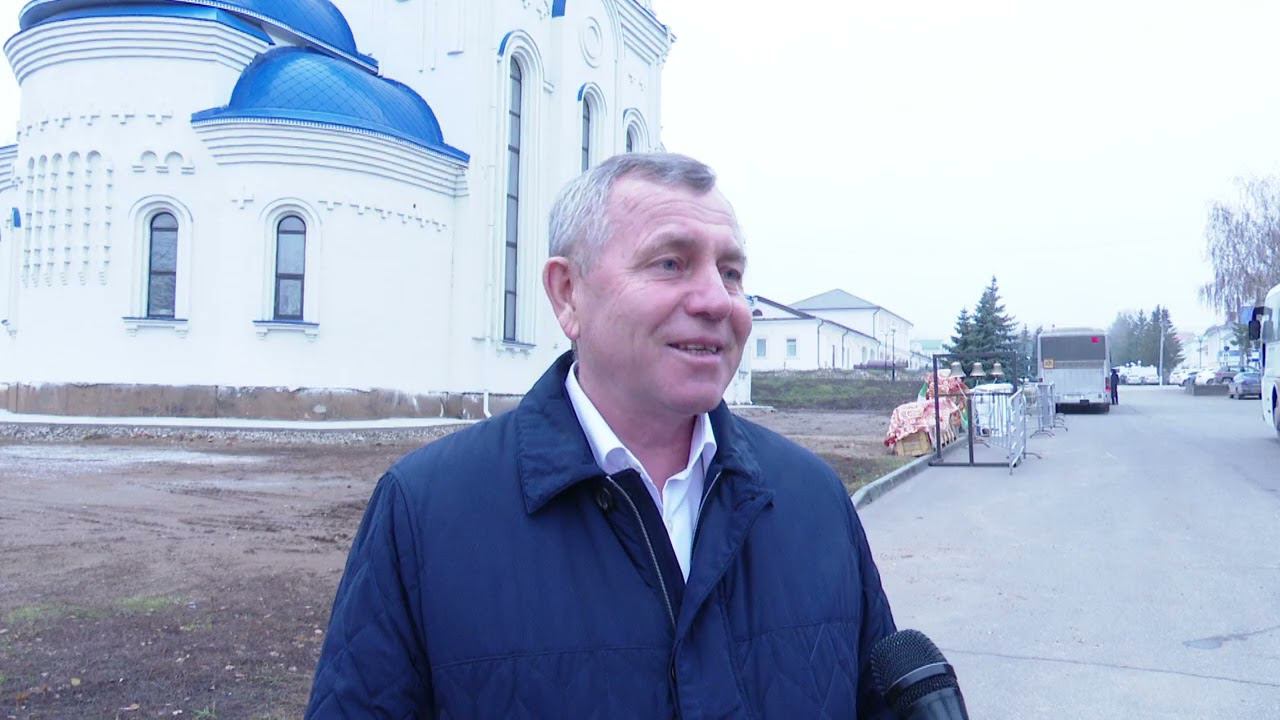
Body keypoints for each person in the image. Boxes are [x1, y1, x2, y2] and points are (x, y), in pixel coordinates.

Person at [305, 153, 897, 718]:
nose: (717, 300)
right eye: (670, 263)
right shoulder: (426, 512)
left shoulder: (813, 499)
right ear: (568, 293)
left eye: (731, 272)